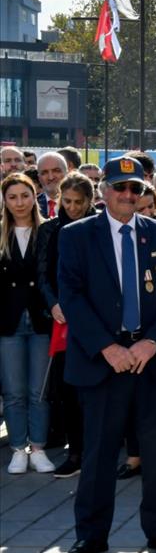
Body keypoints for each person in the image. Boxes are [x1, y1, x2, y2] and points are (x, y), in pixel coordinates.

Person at [57, 156, 156, 553]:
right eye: (120, 187)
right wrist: (107, 348)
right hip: (104, 360)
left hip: (150, 359)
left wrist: (151, 343)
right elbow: (72, 296)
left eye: (136, 189)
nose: (128, 195)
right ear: (104, 191)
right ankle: (91, 535)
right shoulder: (77, 236)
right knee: (98, 452)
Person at [37, 173, 98, 478]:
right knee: (69, 389)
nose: (73, 208)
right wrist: (53, 304)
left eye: (79, 202)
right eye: (67, 201)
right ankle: (75, 452)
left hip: (97, 318)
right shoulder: (50, 230)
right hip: (63, 320)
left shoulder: (99, 226)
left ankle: (99, 450)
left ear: (90, 200)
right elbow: (43, 273)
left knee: (99, 390)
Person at [2, 173, 54, 473]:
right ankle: (18, 448)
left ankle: (38, 447)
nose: (19, 202)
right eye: (12, 197)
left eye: (25, 195)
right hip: (7, 322)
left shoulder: (48, 230)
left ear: (34, 196)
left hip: (41, 320)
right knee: (13, 391)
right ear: (5, 201)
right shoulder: (0, 233)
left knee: (39, 390)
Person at [36, 152, 67, 217]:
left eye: (56, 170)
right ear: (39, 178)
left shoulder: (77, 204)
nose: (51, 177)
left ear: (67, 173)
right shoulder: (33, 205)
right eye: (44, 172)